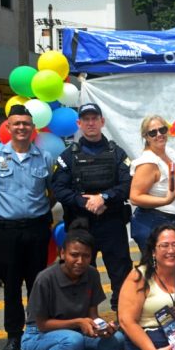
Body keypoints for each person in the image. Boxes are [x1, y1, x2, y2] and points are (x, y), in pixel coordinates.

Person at [0, 106, 56, 350]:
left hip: (36, 228)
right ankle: (13, 335)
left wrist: (40, 210)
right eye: (17, 123)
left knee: (37, 284)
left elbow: (52, 192)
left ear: (33, 128)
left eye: (26, 123)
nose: (22, 128)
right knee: (11, 285)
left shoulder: (44, 157)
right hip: (6, 230)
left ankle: (36, 331)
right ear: (8, 127)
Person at [20, 219, 126, 350]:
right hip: (37, 337)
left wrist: (102, 327)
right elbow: (42, 324)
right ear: (62, 253)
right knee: (73, 340)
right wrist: (78, 322)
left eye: (85, 256)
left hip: (73, 334)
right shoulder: (45, 279)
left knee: (118, 340)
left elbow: (93, 315)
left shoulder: (92, 274)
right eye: (74, 255)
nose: (80, 261)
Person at [50, 102, 133, 310]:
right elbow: (59, 188)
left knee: (121, 272)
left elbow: (127, 184)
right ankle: (85, 319)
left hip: (111, 222)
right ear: (79, 123)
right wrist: (85, 202)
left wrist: (104, 197)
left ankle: (124, 317)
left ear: (102, 121)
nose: (90, 123)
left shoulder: (117, 153)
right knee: (80, 272)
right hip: (81, 224)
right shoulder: (68, 156)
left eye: (94, 118)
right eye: (85, 119)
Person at [129, 114, 175, 252]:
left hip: (174, 221)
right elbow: (135, 197)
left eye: (162, 130)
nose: (159, 134)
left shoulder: (171, 153)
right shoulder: (148, 162)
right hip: (153, 222)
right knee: (159, 270)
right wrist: (165, 200)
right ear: (146, 137)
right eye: (153, 132)